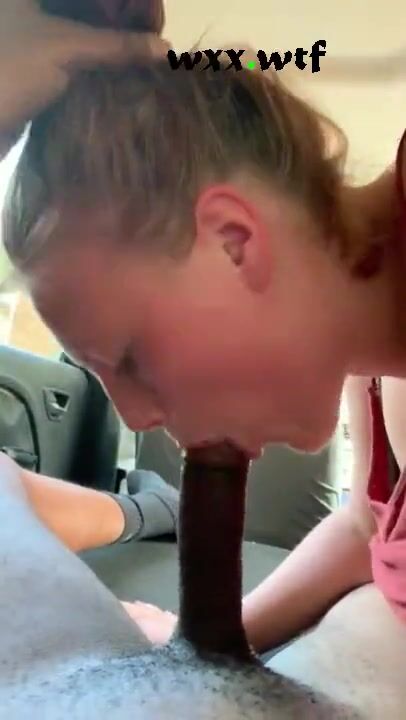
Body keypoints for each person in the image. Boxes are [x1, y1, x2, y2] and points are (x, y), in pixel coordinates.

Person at [1, 0, 406, 712]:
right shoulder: (359, 343)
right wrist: (205, 644)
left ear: (232, 242)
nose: (137, 417)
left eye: (129, 356)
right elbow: (363, 527)